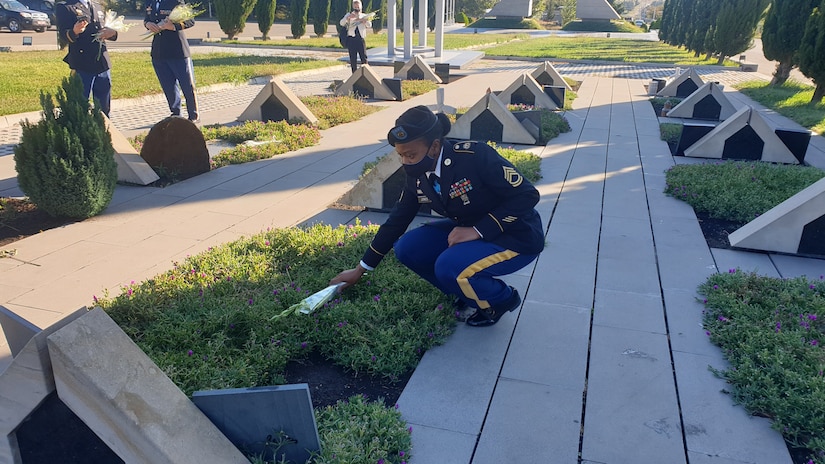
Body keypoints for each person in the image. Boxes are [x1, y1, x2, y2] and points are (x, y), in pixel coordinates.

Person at [331, 106, 545, 327]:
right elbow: (397, 221)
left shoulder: (474, 156)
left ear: (434, 146)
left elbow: (527, 195)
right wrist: (360, 270)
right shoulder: (417, 175)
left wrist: (478, 230)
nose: (405, 162)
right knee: (407, 247)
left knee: (449, 265)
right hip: (467, 231)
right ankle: (461, 293)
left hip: (514, 236)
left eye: (410, 155)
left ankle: (501, 300)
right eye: (401, 155)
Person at [56, 0, 118, 117]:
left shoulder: (98, 6)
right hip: (82, 64)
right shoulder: (66, 7)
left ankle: (103, 131)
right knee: (80, 105)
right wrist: (74, 32)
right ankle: (82, 133)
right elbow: (63, 34)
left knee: (104, 106)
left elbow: (104, 28)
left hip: (102, 64)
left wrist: (112, 33)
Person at [144, 0, 198, 122]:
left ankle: (193, 115)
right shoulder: (150, 2)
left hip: (178, 51)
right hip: (159, 53)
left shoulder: (176, 1)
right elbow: (146, 18)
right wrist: (148, 24)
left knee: (187, 85)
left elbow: (190, 21)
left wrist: (173, 26)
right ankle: (176, 114)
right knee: (169, 87)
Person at [339, 0, 370, 73]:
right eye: (355, 6)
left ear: (361, 7)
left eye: (358, 6)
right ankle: (354, 75)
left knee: (364, 57)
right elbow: (341, 23)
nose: (357, 8)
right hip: (351, 39)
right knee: (353, 58)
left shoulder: (364, 16)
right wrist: (347, 18)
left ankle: (366, 74)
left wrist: (364, 21)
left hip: (361, 39)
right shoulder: (349, 14)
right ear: (353, 7)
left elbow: (369, 25)